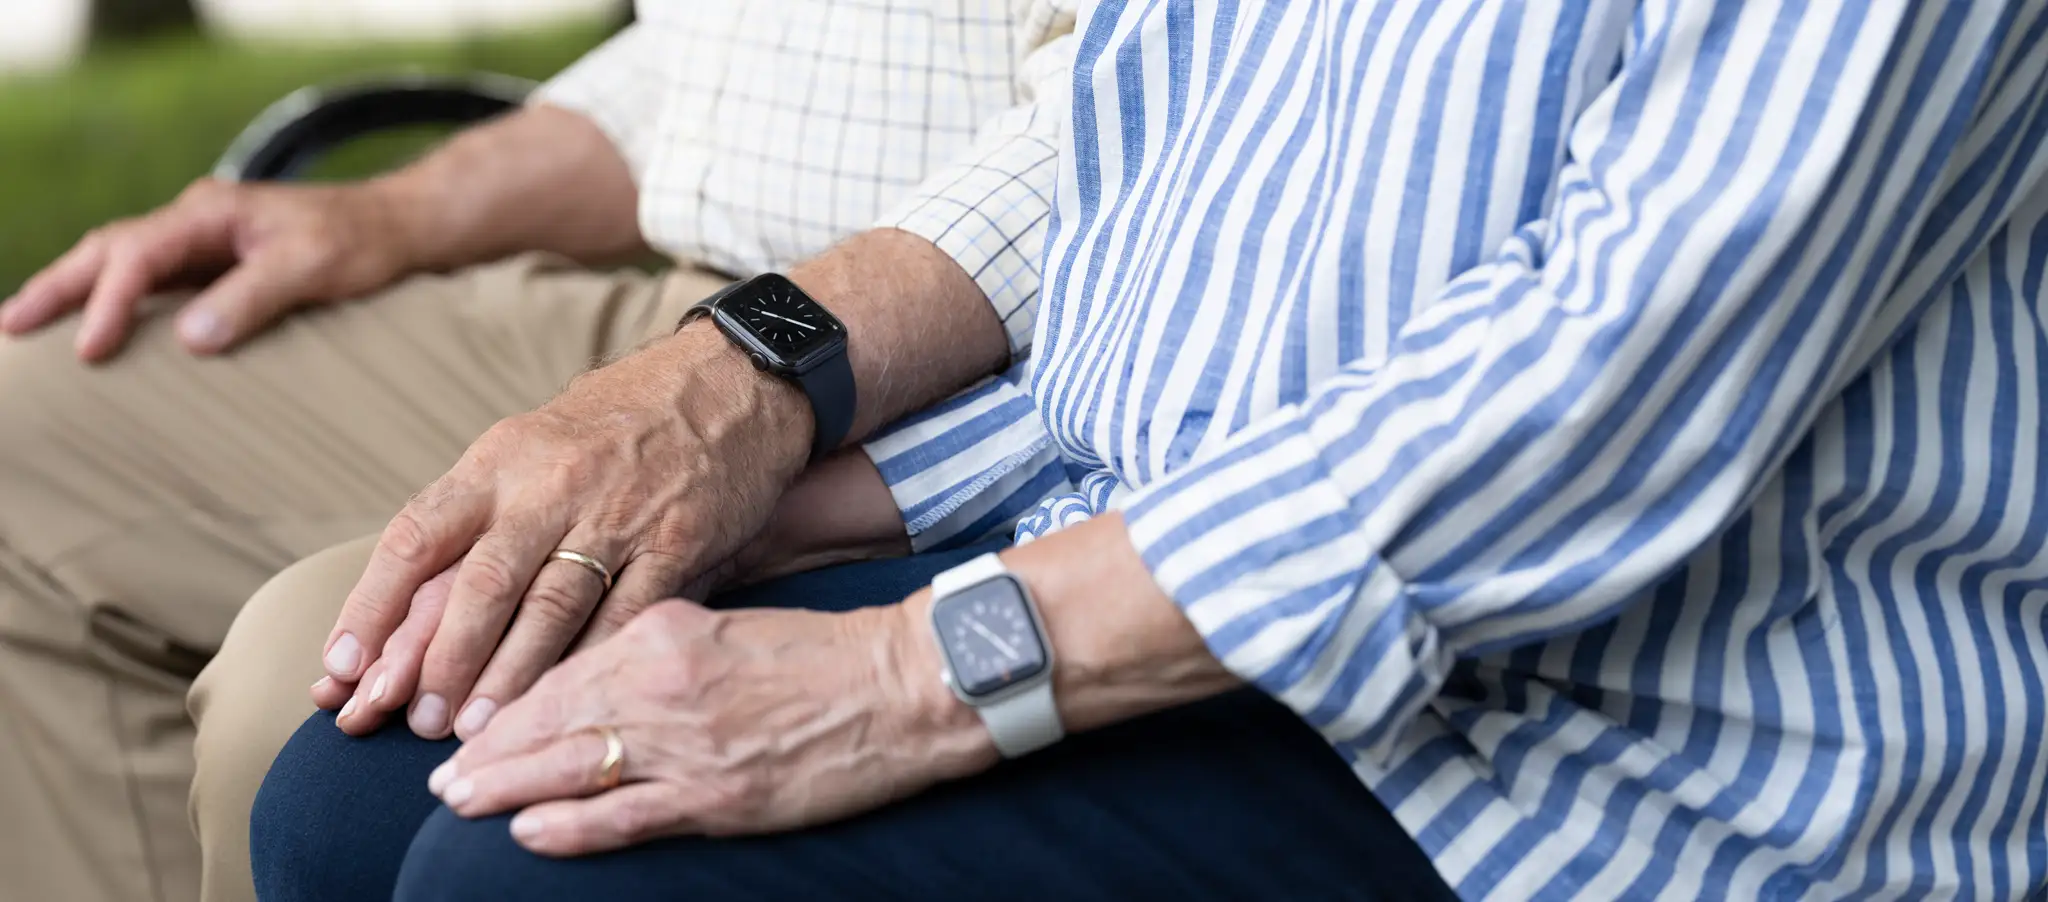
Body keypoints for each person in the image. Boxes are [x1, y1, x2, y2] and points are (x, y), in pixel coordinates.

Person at [232, 0, 2048, 899]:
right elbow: (1165, 282)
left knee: (533, 874)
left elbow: (1596, 386)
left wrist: (886, 667)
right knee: (351, 787)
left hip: (1620, 764)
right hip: (1205, 608)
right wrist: (797, 512)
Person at [0, 2, 1077, 901]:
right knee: (28, 423)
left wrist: (735, 377)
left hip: (974, 352)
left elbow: (1150, 119)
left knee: (312, 695)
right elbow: (743, 75)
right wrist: (391, 213)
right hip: (692, 299)